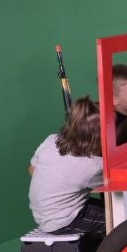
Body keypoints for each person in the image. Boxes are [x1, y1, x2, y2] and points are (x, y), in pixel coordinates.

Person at [28, 97, 106, 238]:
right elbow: (112, 182)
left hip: (42, 214)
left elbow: (32, 170)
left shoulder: (51, 140)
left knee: (105, 208)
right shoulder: (93, 165)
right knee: (119, 219)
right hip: (63, 221)